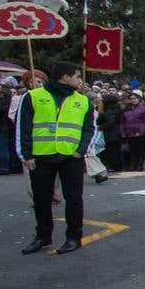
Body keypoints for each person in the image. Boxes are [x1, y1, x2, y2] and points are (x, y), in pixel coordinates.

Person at [17, 61, 94, 255]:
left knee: (74, 199)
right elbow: (22, 128)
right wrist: (26, 154)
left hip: (71, 156)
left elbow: (89, 129)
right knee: (41, 199)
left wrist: (81, 151)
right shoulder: (32, 96)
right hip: (41, 156)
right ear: (65, 77)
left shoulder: (83, 101)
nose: (80, 80)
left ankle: (74, 237)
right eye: (77, 76)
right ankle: (43, 236)